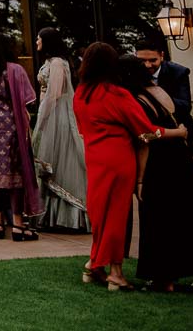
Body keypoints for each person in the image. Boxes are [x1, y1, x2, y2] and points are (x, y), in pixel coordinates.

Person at [115, 53, 193, 292]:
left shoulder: (136, 99)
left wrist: (140, 179)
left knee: (159, 219)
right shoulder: (159, 91)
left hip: (159, 161)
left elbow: (145, 138)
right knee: (192, 216)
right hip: (181, 159)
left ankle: (166, 278)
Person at [74, 42, 174, 290]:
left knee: (100, 212)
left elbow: (82, 130)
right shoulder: (116, 94)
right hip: (118, 158)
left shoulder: (81, 93)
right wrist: (179, 133)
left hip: (94, 158)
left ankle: (95, 264)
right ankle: (115, 273)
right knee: (117, 214)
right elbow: (147, 132)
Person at [0, 32, 42, 240]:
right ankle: (18, 224)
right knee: (16, 173)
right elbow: (28, 100)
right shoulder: (15, 70)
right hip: (12, 125)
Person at [32, 27, 88, 233]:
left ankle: (71, 214)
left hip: (57, 114)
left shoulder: (57, 63)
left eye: (39, 38)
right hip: (48, 110)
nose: (36, 41)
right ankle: (49, 215)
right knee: (50, 161)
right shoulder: (49, 62)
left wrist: (42, 117)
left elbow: (54, 93)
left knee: (62, 159)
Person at [134, 32, 193, 153]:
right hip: (149, 139)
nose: (148, 65)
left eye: (153, 60)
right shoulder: (132, 74)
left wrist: (157, 96)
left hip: (178, 137)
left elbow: (185, 107)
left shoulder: (178, 72)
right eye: (142, 60)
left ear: (162, 56)